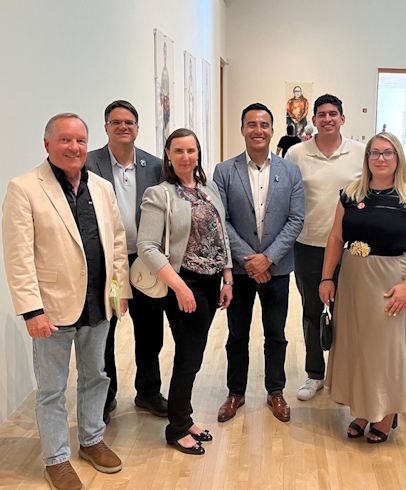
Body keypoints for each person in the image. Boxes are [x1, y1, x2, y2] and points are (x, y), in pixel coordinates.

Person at [2, 113, 130, 489]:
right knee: (52, 389)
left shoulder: (102, 188)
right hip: (51, 308)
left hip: (98, 304)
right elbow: (18, 256)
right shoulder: (24, 188)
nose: (74, 148)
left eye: (79, 141)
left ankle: (91, 439)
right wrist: (31, 311)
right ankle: (56, 458)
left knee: (97, 376)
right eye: (65, 140)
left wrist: (118, 291)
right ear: (47, 145)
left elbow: (117, 244)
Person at [320, 132, 406, 443]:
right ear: (366, 158)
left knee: (385, 351)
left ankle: (387, 414)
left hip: (390, 282)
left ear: (398, 158)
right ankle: (363, 410)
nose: (381, 158)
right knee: (357, 345)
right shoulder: (350, 195)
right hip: (353, 280)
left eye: (388, 153)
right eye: (375, 153)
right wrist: (327, 277)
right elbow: (335, 238)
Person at [138, 128, 233, 455]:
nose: (185, 157)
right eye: (178, 151)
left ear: (198, 154)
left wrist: (228, 278)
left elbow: (221, 235)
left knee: (192, 355)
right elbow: (147, 247)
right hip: (184, 284)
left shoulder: (209, 190)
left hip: (211, 282)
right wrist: (178, 287)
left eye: (191, 150)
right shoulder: (159, 194)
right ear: (167, 154)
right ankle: (177, 428)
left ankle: (184, 416)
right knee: (189, 357)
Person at [214, 103, 305, 424]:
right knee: (237, 334)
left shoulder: (290, 171)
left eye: (264, 125)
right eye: (251, 124)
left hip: (277, 269)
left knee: (276, 333)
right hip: (239, 271)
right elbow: (220, 221)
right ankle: (235, 392)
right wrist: (249, 259)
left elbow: (296, 219)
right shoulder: (224, 171)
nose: (258, 130)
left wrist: (268, 258)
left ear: (272, 129)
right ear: (242, 129)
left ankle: (275, 390)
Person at [86, 100, 167, 424]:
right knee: (105, 330)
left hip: (145, 260)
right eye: (116, 122)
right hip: (108, 261)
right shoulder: (89, 164)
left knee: (150, 331)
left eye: (129, 122)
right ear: (106, 127)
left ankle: (148, 391)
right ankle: (106, 397)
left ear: (137, 127)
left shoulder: (155, 165)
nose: (123, 127)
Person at [286, 94, 364, 401]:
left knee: (349, 314)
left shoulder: (360, 153)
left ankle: (343, 375)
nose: (327, 119)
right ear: (313, 120)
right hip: (308, 246)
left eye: (333, 114)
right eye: (322, 114)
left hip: (353, 249)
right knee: (312, 312)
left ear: (342, 119)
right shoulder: (295, 154)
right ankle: (314, 374)